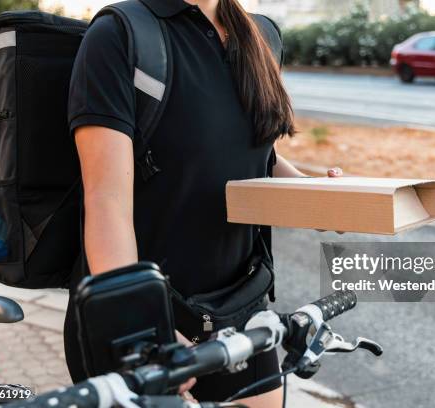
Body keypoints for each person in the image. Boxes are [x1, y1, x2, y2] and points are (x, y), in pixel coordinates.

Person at [64, 0, 342, 406]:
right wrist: (142, 328)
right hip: (142, 318)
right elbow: (105, 199)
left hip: (239, 310)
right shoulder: (120, 34)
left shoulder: (261, 35)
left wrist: (317, 198)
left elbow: (257, 155)